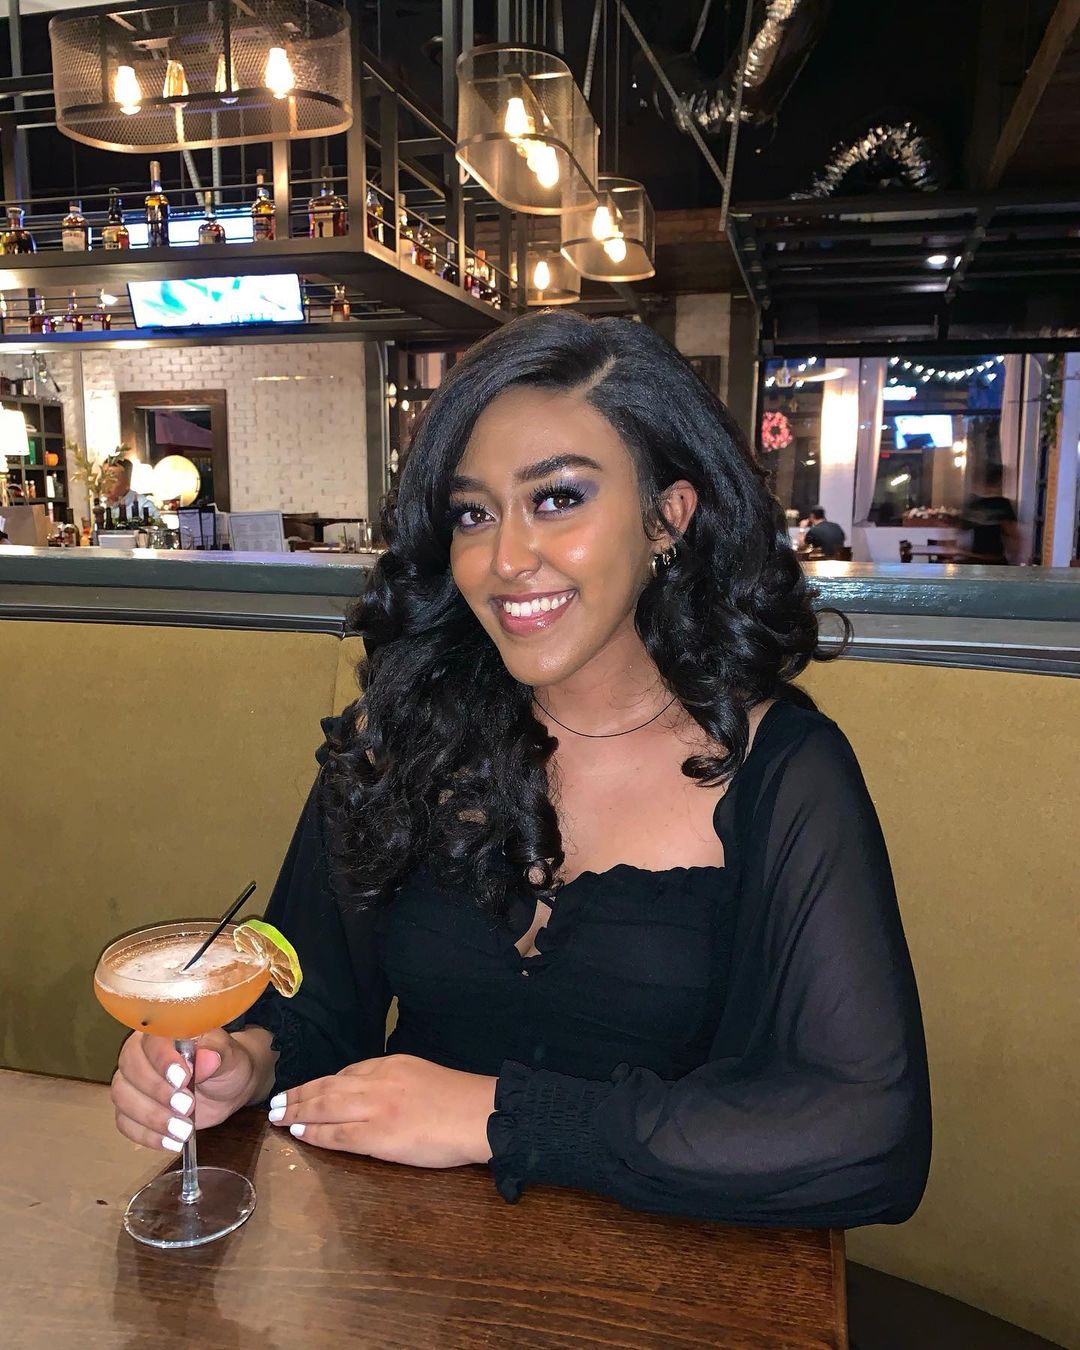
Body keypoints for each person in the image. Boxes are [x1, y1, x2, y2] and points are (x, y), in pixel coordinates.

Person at [109, 312, 931, 1228]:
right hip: (408, 1259)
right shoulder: (401, 735)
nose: (503, 560)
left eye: (557, 499)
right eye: (474, 513)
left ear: (669, 517)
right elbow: (315, 1007)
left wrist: (500, 1118)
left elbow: (871, 1136)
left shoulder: (784, 771)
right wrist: (242, 1060)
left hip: (673, 1271)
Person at [962, 463, 1019, 565]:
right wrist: (1014, 557)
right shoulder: (1002, 504)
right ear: (999, 481)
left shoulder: (973, 503)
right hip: (995, 559)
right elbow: (1012, 534)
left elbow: (961, 532)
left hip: (975, 559)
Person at [101, 456, 159, 522]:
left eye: (112, 479)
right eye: (103, 477)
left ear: (128, 482)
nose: (105, 483)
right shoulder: (100, 507)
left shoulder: (144, 507)